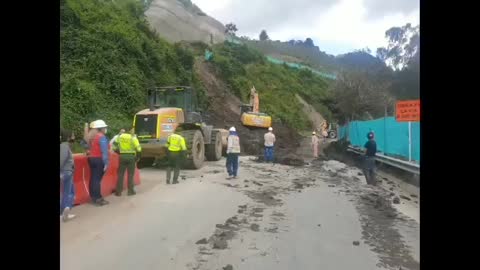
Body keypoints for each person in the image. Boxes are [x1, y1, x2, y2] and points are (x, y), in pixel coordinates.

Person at [113, 128, 141, 196]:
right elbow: (139, 149)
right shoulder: (133, 138)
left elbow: (114, 147)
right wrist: (137, 157)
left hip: (122, 157)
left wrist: (119, 152)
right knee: (130, 175)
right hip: (131, 157)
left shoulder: (119, 137)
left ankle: (118, 192)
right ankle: (130, 191)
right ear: (130, 131)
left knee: (120, 174)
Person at [88, 120, 110, 206]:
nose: (105, 129)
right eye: (105, 127)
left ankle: (94, 197)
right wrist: (106, 163)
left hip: (92, 159)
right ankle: (98, 198)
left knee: (94, 179)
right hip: (99, 159)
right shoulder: (101, 137)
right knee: (97, 180)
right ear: (101, 128)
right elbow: (104, 152)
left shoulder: (92, 137)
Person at [60, 128, 76, 222]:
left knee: (68, 192)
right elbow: (61, 160)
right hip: (66, 172)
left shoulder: (65, 146)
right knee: (69, 192)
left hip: (67, 172)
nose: (74, 137)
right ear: (68, 137)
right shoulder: (64, 146)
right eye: (73, 135)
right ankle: (65, 211)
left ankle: (64, 211)